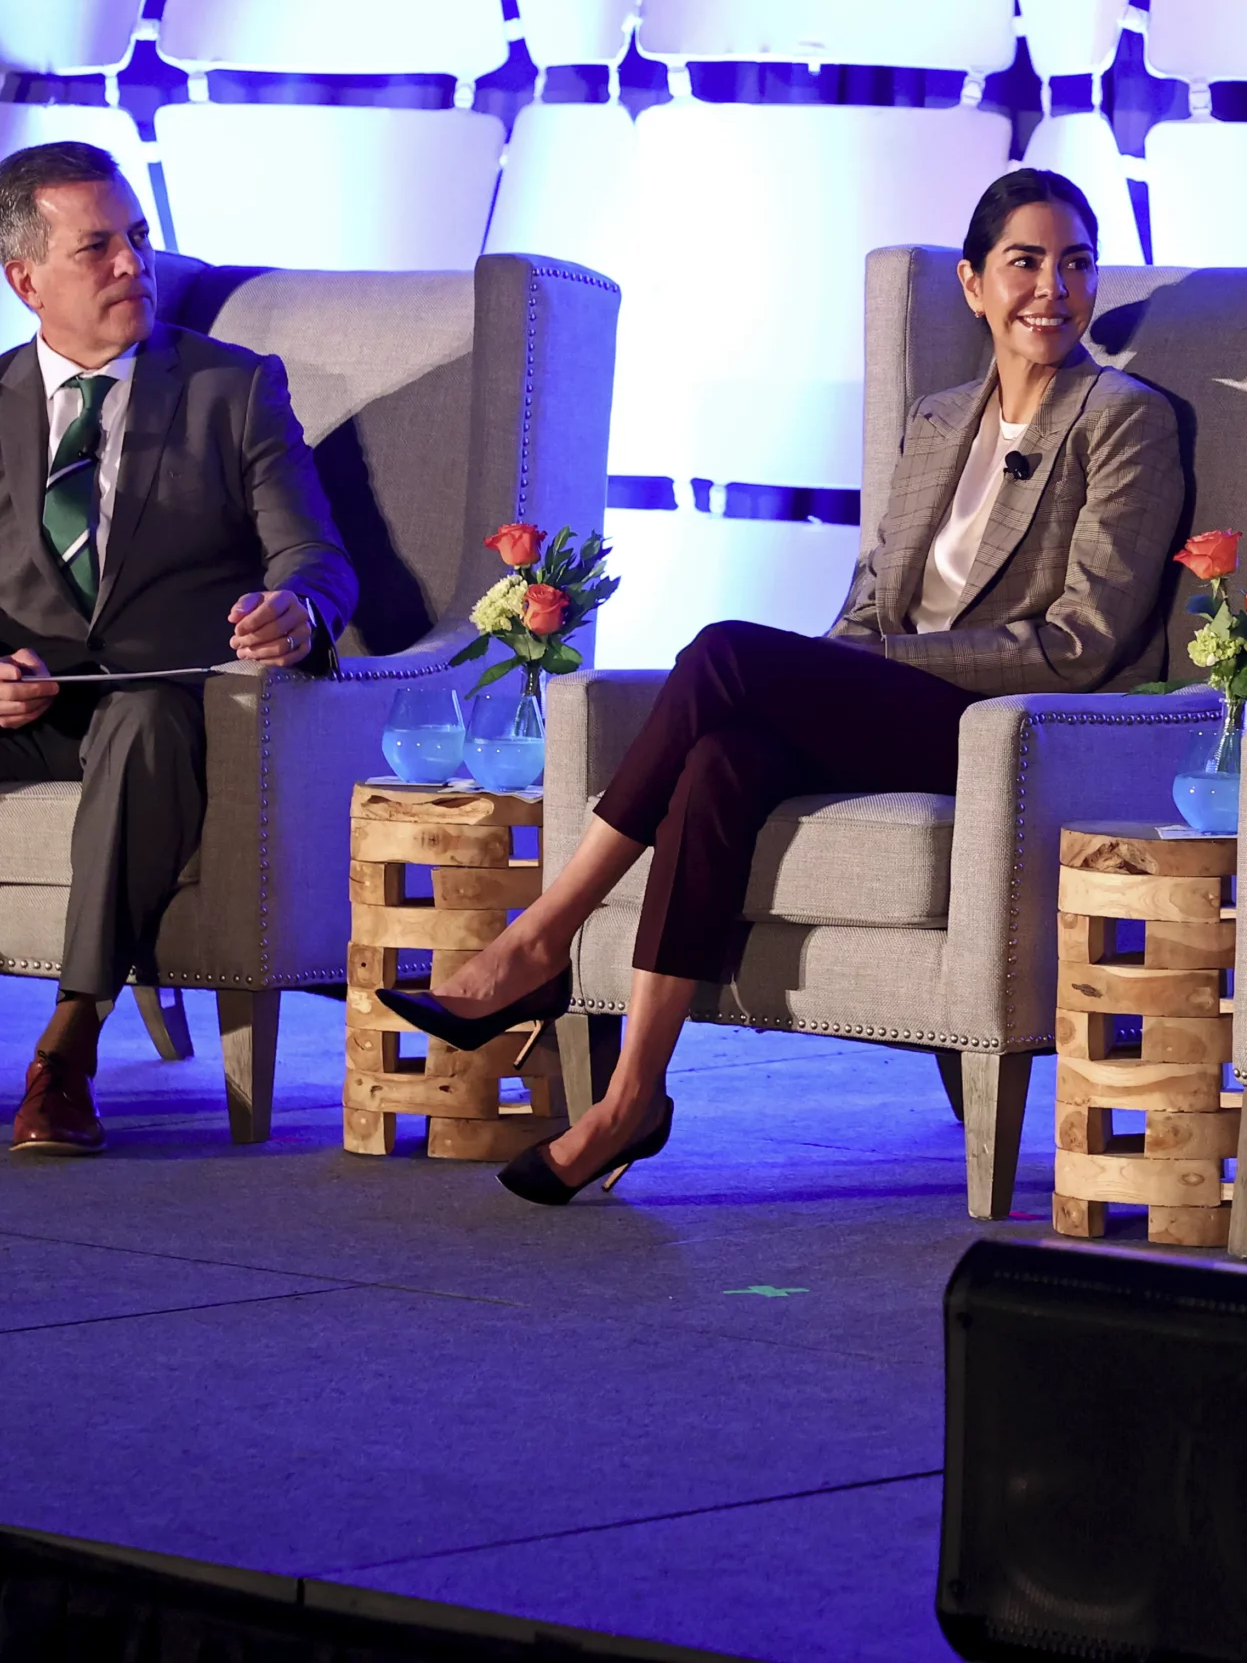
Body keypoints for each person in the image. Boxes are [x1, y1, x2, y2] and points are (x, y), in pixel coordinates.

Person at [376, 167, 1186, 1204]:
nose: (1053, 289)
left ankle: (540, 934)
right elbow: (868, 605)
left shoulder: (1123, 420)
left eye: (1076, 264)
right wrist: (832, 672)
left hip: (1004, 728)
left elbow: (1082, 641)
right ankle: (631, 1098)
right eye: (1024, 262)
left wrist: (865, 668)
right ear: (973, 284)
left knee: (724, 651)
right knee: (722, 757)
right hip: (894, 701)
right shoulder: (939, 421)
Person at [1, 141, 356, 1155]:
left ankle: (66, 1049)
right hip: (31, 707)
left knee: (145, 725)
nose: (132, 263)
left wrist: (297, 611)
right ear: (25, 279)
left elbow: (317, 557)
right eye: (97, 247)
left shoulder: (231, 388)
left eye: (139, 237)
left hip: (172, 704)